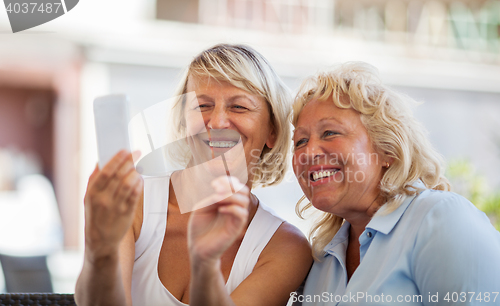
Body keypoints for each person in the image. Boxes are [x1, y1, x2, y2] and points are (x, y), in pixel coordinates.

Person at [75, 44, 312, 306]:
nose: (218, 123)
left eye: (239, 107)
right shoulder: (133, 203)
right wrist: (101, 249)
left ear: (273, 131)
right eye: (202, 105)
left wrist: (204, 266)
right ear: (184, 123)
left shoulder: (284, 246)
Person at [290, 62, 500, 305]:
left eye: (329, 133)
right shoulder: (320, 259)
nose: (308, 152)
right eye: (300, 141)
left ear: (387, 150)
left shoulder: (440, 219)